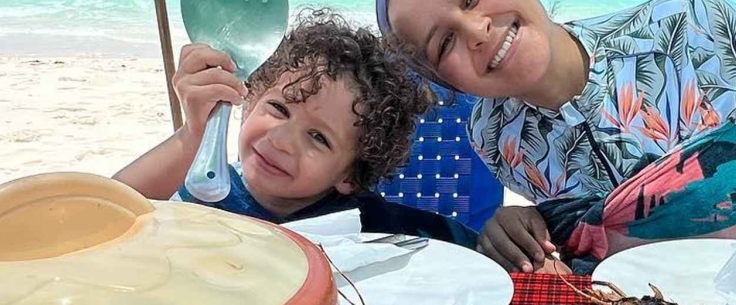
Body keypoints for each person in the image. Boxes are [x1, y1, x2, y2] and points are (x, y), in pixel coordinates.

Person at [377, 0, 736, 271]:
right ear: (446, 80)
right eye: (444, 42)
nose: (477, 28)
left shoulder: (702, 28)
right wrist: (530, 223)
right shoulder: (493, 135)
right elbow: (597, 228)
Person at [117, 12, 476, 245]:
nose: (281, 140)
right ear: (250, 99)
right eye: (278, 108)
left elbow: (456, 247)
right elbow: (105, 207)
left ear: (350, 175)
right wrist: (192, 134)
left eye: (318, 137)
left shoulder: (363, 225)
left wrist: (494, 238)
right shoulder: (206, 191)